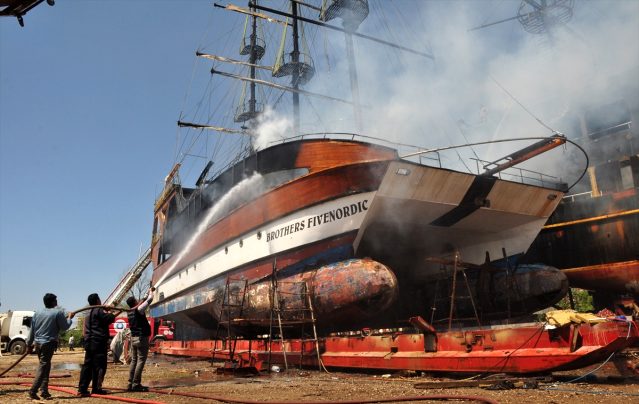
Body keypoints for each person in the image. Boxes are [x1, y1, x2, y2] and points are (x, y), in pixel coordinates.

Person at [27, 293, 74, 400]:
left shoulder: (37, 313)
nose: (57, 302)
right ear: (53, 302)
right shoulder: (58, 312)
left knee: (45, 366)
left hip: (38, 344)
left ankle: (44, 391)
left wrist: (29, 344)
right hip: (48, 344)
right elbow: (65, 327)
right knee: (43, 367)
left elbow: (32, 330)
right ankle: (33, 390)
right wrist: (70, 318)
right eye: (55, 300)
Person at [77, 293, 116, 396]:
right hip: (98, 342)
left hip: (89, 343)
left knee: (87, 366)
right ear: (98, 300)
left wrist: (107, 311)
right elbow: (110, 319)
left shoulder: (88, 313)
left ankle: (82, 389)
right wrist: (111, 311)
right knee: (100, 366)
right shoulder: (98, 310)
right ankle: (97, 388)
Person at [125, 287, 155, 392]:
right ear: (134, 302)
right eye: (136, 300)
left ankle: (130, 383)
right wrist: (151, 291)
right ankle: (136, 384)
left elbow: (144, 300)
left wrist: (146, 293)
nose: (138, 301)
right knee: (141, 360)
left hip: (133, 338)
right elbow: (150, 299)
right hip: (141, 338)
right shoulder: (138, 310)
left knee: (134, 360)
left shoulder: (129, 312)